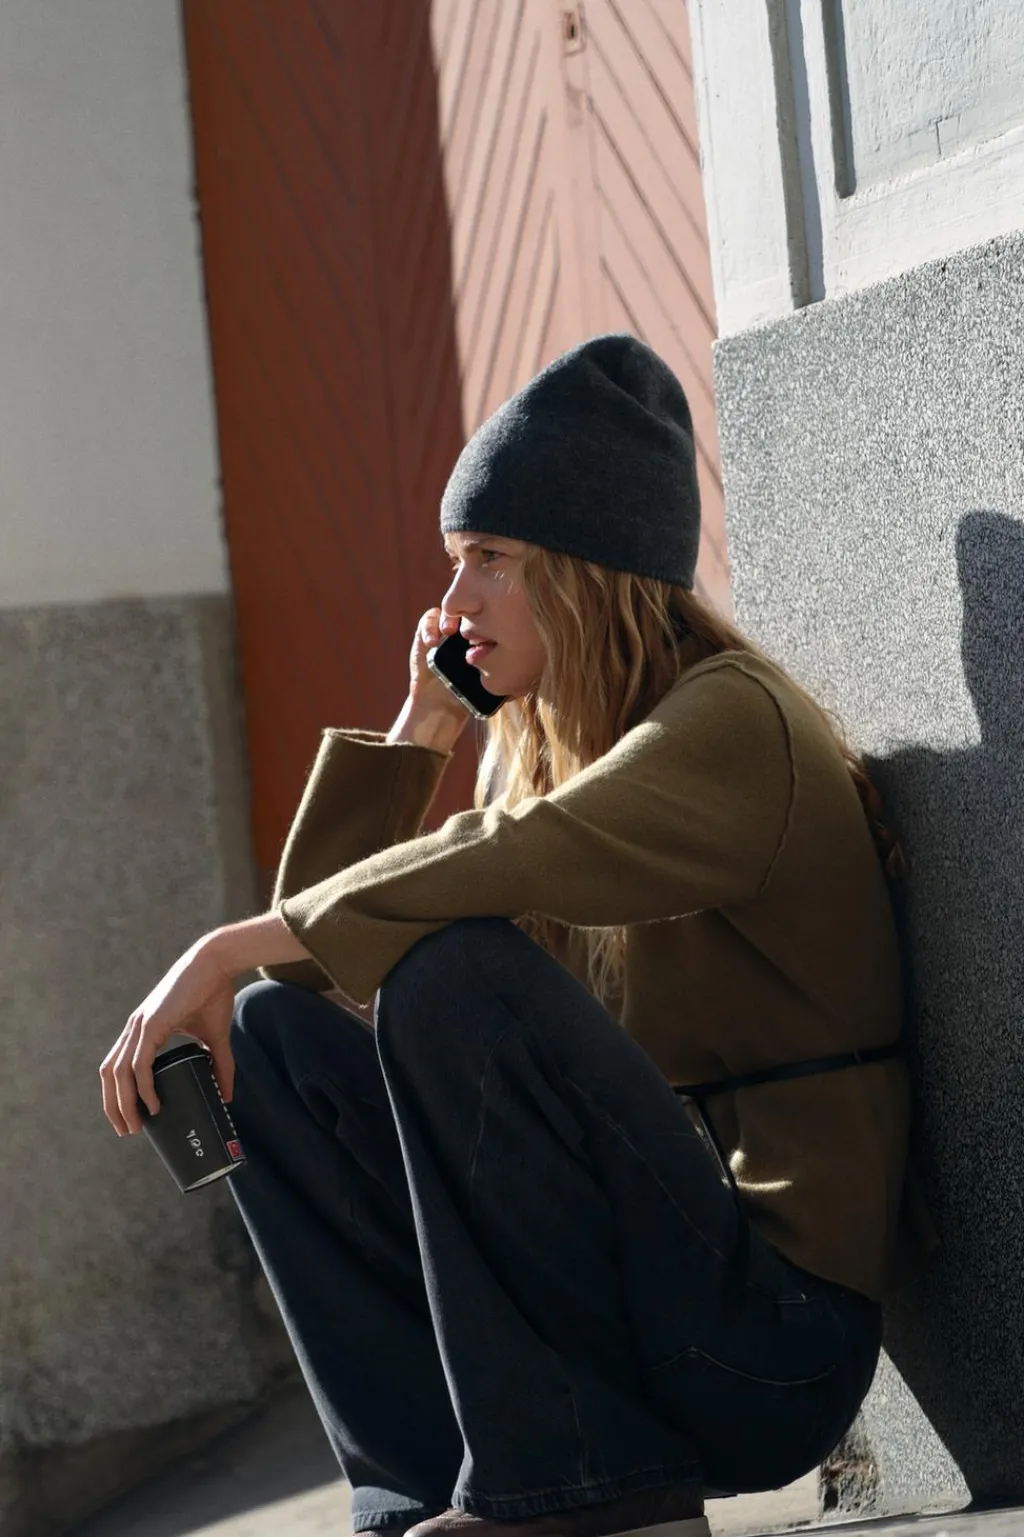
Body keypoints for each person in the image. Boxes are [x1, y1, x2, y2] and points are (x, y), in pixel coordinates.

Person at [100, 335, 930, 1537]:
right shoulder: (548, 754)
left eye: (490, 558)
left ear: (588, 570)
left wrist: (217, 949)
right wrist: (426, 723)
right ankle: (425, 1492)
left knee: (451, 971)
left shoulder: (732, 724)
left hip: (768, 1344)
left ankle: (583, 1490)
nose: (453, 604)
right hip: (645, 1319)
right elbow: (310, 958)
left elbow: (506, 862)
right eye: (455, 563)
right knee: (275, 1039)